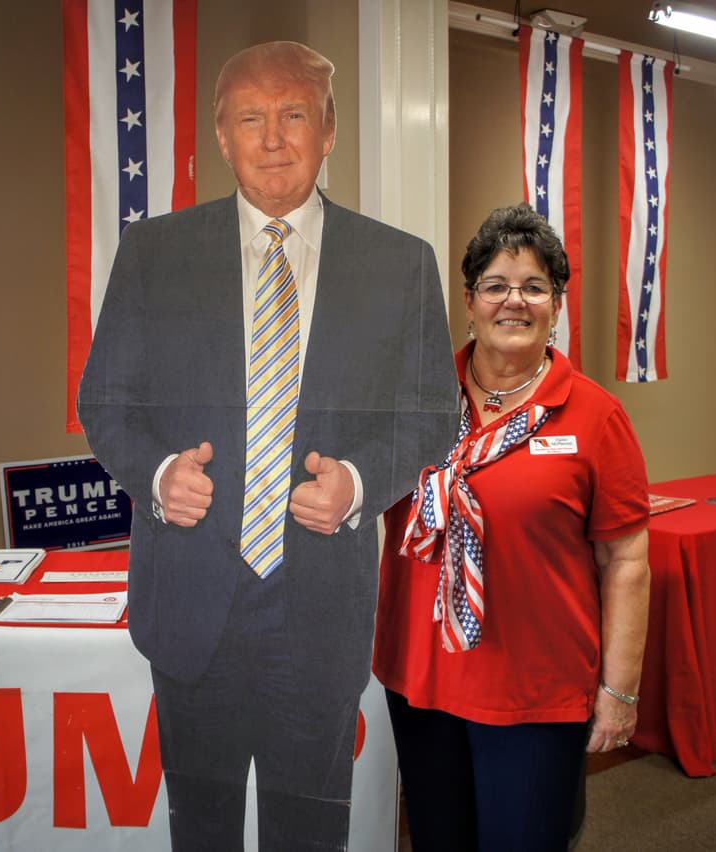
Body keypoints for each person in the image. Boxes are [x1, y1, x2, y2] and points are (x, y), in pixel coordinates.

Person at [77, 40, 457, 850]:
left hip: (318, 615)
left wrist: (357, 485)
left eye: (294, 116)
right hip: (190, 607)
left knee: (309, 833)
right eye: (252, 118)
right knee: (202, 829)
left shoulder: (400, 265)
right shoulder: (153, 256)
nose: (274, 137)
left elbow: (431, 413)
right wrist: (154, 476)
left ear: (328, 132)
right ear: (222, 136)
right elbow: (104, 403)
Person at [373, 203, 651, 851]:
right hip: (421, 682)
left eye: (534, 287)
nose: (514, 301)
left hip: (536, 692)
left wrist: (619, 691)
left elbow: (627, 560)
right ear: (469, 302)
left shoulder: (595, 417)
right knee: (439, 840)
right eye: (496, 285)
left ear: (556, 306)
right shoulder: (413, 400)